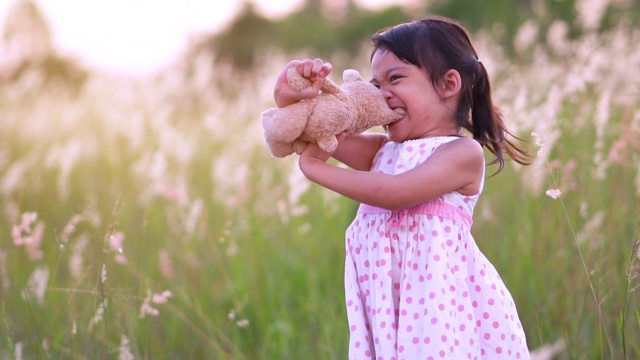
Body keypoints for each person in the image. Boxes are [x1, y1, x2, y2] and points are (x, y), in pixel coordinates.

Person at [273, 16, 531, 359]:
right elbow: (310, 133)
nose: (382, 94)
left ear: (448, 84)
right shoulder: (383, 150)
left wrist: (313, 169)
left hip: (434, 311)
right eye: (376, 84)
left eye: (395, 78)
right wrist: (294, 96)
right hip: (386, 309)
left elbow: (394, 194)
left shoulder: (460, 153)